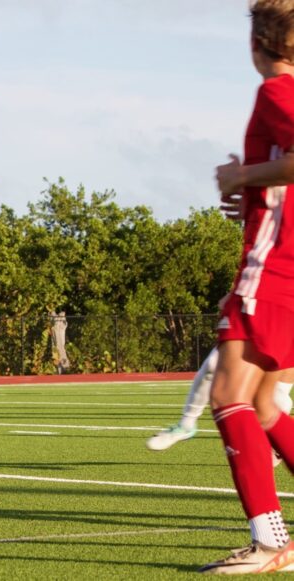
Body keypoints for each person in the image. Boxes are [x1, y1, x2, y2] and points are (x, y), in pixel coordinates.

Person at [199, 2, 294, 572]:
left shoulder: (276, 93)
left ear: (256, 41)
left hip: (275, 270)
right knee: (262, 405)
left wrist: (242, 176)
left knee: (227, 397)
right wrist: (253, 190)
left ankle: (268, 541)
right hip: (287, 266)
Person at [146, 347, 294, 452]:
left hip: (281, 314)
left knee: (278, 398)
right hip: (248, 309)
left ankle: (274, 445)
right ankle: (187, 424)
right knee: (212, 364)